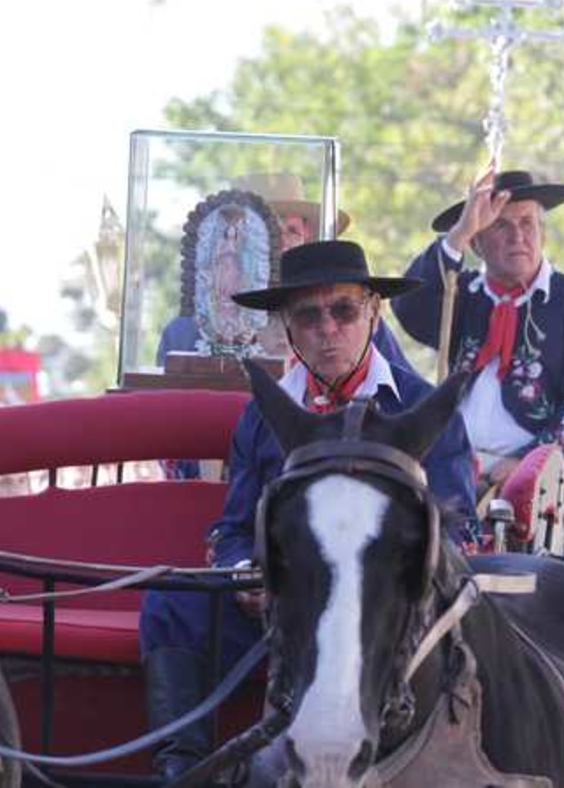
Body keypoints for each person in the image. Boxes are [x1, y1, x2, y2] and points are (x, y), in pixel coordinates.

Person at [137, 240, 477, 779]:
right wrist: (243, 576)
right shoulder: (264, 415)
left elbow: (464, 535)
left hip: (387, 625)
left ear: (373, 311)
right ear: (287, 326)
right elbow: (232, 529)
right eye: (308, 315)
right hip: (285, 614)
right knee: (171, 601)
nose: (328, 328)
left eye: (343, 310)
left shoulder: (422, 408)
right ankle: (182, 770)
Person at [391, 166, 564, 554]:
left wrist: (527, 462)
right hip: (451, 467)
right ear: (478, 242)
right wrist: (456, 236)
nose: (518, 236)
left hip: (548, 473)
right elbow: (409, 306)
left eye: (528, 223)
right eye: (501, 226)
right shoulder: (457, 296)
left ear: (542, 232)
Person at [156, 172, 415, 375]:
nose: (281, 244)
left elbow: (402, 401)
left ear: (307, 238)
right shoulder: (187, 331)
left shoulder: (352, 317)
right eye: (265, 234)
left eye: (292, 231)